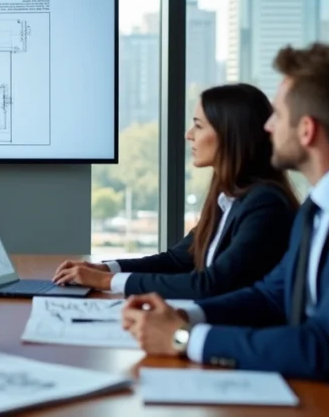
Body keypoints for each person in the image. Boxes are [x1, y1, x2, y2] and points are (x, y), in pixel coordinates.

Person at [121, 43, 329, 411]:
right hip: (309, 393)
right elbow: (270, 295)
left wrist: (184, 338)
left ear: (306, 130)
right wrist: (185, 316)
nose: (267, 126)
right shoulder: (318, 208)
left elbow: (320, 345)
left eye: (278, 115)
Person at [52, 83, 300, 299]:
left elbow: (212, 285)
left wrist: (106, 282)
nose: (188, 135)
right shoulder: (228, 198)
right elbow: (177, 260)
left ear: (230, 136)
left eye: (199, 126)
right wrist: (105, 269)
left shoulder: (265, 204)